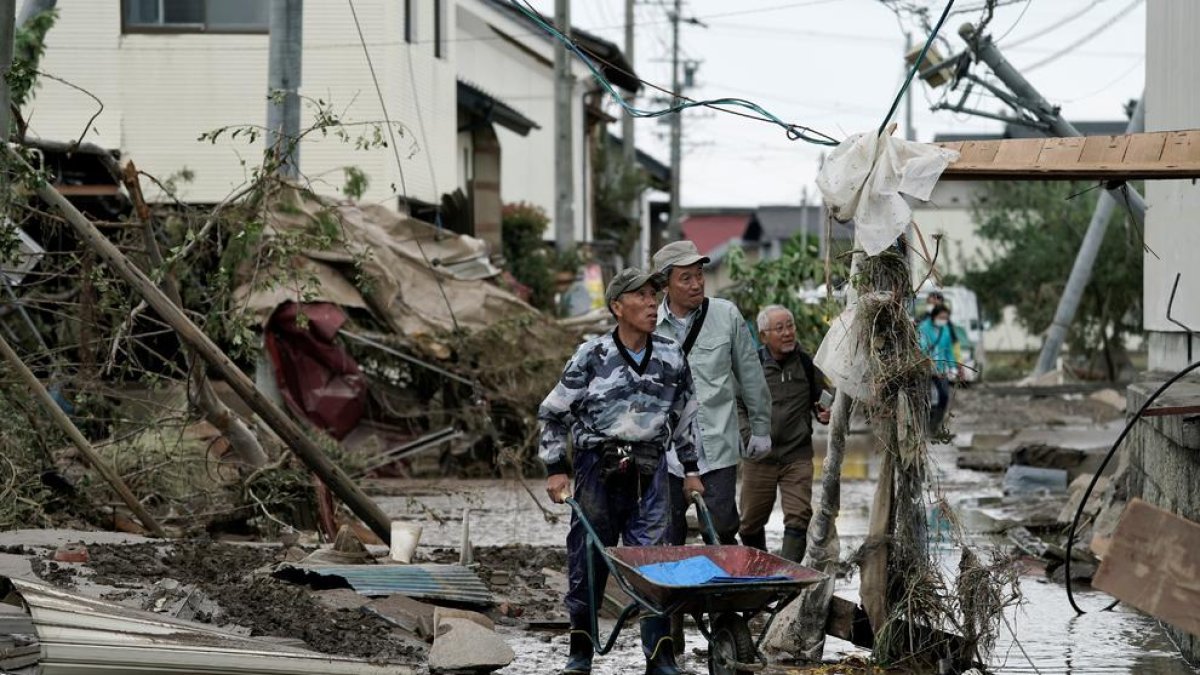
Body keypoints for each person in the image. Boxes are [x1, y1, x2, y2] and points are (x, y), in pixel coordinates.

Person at [541, 268, 705, 675]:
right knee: (588, 559)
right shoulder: (591, 356)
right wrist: (555, 468)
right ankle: (580, 650)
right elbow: (553, 412)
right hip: (598, 468)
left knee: (654, 562)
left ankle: (659, 654)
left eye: (655, 295)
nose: (653, 303)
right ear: (618, 306)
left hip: (650, 471)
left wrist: (691, 470)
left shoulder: (670, 355)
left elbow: (686, 417)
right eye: (642, 296)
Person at [651, 240, 773, 548]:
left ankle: (721, 592)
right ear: (666, 284)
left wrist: (761, 428)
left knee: (721, 528)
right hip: (664, 452)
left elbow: (750, 376)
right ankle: (671, 593)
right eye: (686, 278)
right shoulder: (649, 325)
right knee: (667, 534)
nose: (696, 284)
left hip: (716, 445)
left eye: (699, 275)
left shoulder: (725, 315)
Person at [738, 305, 831, 562]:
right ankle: (758, 571)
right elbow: (736, 406)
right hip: (759, 457)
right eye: (779, 328)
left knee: (799, 516)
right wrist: (748, 437)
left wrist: (824, 413)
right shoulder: (751, 366)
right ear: (764, 335)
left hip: (796, 455)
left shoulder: (805, 363)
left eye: (790, 325)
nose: (788, 333)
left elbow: (821, 400)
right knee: (749, 523)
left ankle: (786, 579)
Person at [918, 304, 965, 433]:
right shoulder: (923, 328)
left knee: (944, 395)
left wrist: (953, 366)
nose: (943, 320)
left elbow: (948, 350)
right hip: (926, 368)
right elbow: (922, 348)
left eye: (946, 318)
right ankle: (925, 423)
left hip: (942, 368)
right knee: (926, 396)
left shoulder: (945, 329)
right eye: (941, 317)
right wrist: (932, 366)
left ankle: (935, 424)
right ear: (934, 316)